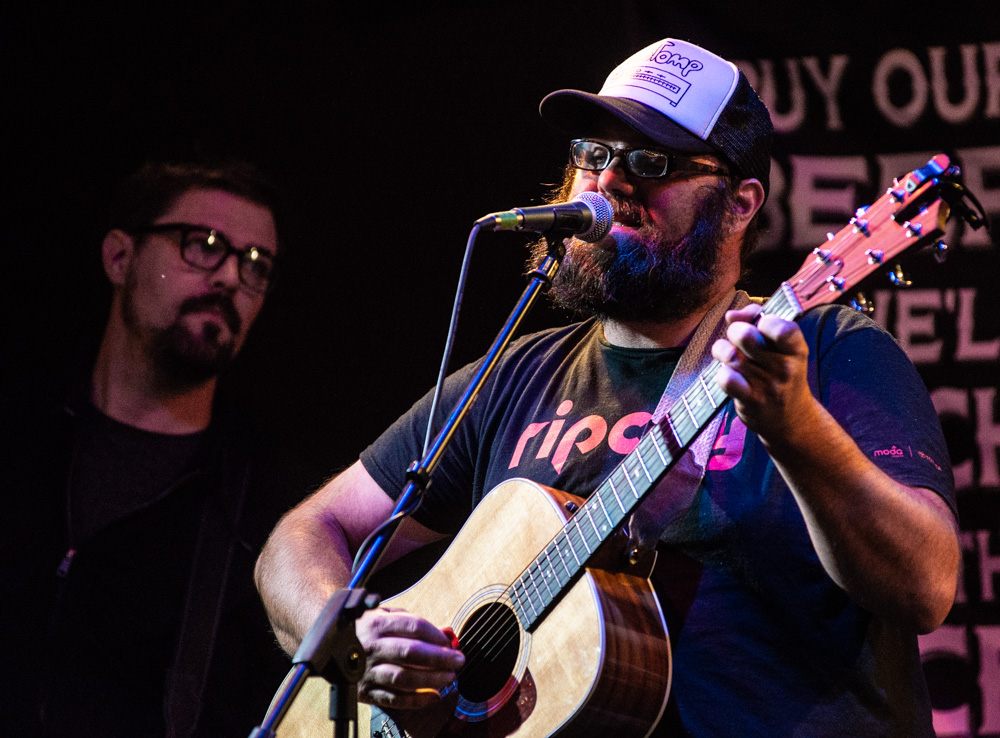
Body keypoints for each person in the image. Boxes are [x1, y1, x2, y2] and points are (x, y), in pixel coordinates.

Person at [254, 38, 960, 736]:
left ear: (741, 204)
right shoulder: (514, 375)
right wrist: (350, 639)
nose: (609, 181)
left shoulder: (827, 350)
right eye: (593, 154)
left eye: (651, 162)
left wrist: (795, 427)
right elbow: (307, 532)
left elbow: (925, 586)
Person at [0, 160, 305, 736]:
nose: (230, 277)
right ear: (120, 257)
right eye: (204, 245)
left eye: (256, 265)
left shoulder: (263, 505)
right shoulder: (22, 430)